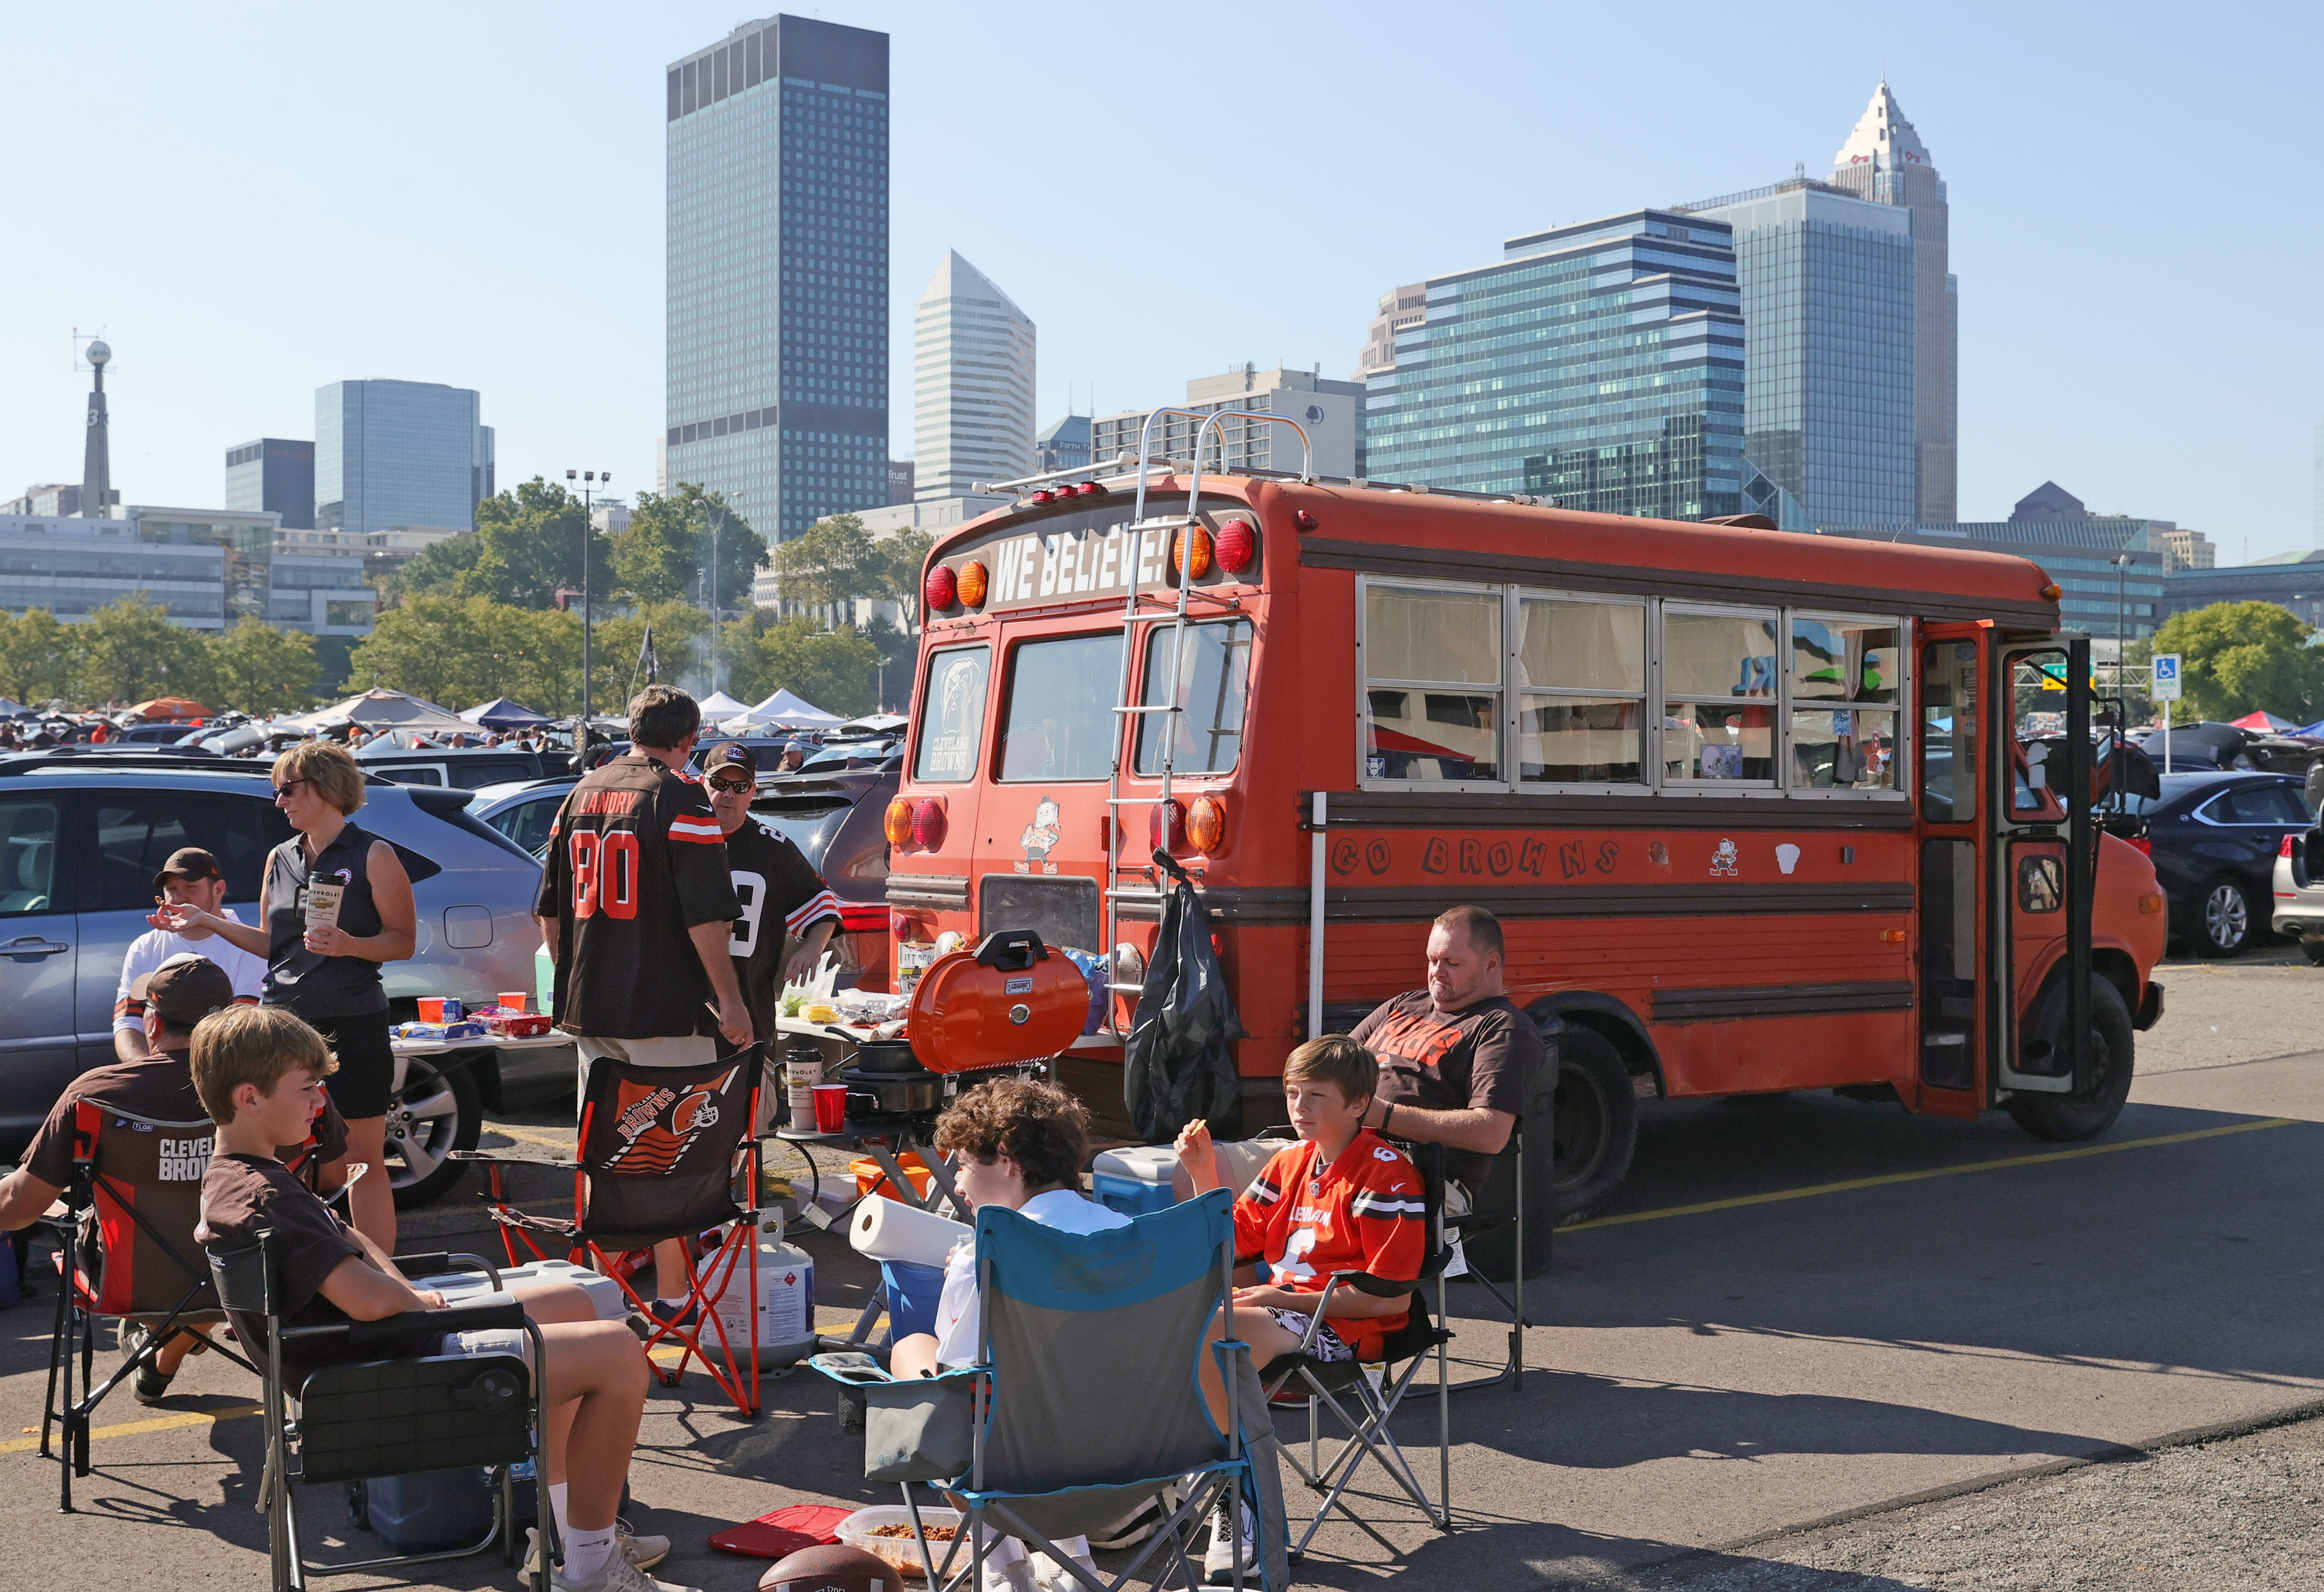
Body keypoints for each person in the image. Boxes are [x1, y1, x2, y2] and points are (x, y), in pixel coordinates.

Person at [189, 1006, 693, 1592]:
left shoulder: (243, 1177)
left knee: (572, 1304)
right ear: (250, 1097)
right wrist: (421, 1304)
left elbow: (350, 1240)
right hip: (373, 1384)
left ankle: (565, 1536)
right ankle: (592, 1566)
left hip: (366, 1355)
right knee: (618, 1354)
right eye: (307, 1088)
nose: (320, 1102)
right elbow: (366, 1300)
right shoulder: (265, 1196)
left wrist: (405, 1293)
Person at [0, 956, 347, 1403]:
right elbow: (333, 1179)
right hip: (261, 1278)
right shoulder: (288, 1087)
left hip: (132, 1280)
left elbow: (19, 1209)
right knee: (224, 1247)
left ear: (152, 1020)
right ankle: (166, 1355)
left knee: (187, 1249)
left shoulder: (94, 1095)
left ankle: (164, 1346)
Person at [536, 686, 751, 1325]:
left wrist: (575, 975)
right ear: (689, 739)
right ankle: (672, 1293)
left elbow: (549, 910)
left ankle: (607, 1291)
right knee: (668, 1150)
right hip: (663, 1004)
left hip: (592, 1005)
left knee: (606, 1147)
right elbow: (706, 915)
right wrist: (730, 1000)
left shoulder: (577, 794)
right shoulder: (680, 796)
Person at [1176, 1034, 1425, 1581]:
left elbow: (1390, 1296)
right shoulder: (1288, 1163)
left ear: (1358, 1103)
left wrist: (1276, 1295)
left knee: (1209, 1330)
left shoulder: (1387, 1174)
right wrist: (1201, 1175)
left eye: (1315, 1095)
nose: (1299, 1108)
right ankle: (1212, 1492)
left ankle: (1232, 1507)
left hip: (1345, 1328)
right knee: (1167, 1321)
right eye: (1292, 1093)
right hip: (1278, 1316)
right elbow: (1223, 1242)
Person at [156, 738, 416, 1252]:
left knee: (361, 1157)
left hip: (352, 1020)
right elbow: (273, 947)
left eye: (287, 790)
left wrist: (350, 946)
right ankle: (299, 1268)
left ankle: (383, 1278)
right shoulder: (281, 857)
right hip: (285, 1023)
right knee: (281, 1154)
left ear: (325, 787)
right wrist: (206, 920)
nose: (280, 802)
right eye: (278, 791)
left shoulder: (373, 854)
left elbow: (403, 941)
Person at [889, 1078, 1129, 1592]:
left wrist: (965, 1270)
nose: (958, 1184)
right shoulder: (1130, 1234)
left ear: (1005, 1158)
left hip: (1015, 1472)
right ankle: (1068, 1558)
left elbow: (958, 1376)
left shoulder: (988, 1253)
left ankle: (1002, 1567)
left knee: (914, 1355)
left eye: (962, 1165)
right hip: (1132, 1461)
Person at [699, 741, 842, 1041]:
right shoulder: (680, 839)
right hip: (686, 1019)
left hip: (751, 1014)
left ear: (753, 793)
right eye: (719, 783)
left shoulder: (773, 849)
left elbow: (821, 905)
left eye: (740, 787)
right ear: (702, 784)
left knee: (753, 1088)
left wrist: (812, 949)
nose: (728, 794)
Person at [116, 847, 267, 1062]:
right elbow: (127, 1023)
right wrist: (145, 1071)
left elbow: (242, 1031)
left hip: (222, 1071)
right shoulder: (144, 947)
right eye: (172, 889)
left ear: (219, 890)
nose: (179, 898)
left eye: (191, 888)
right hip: (160, 1068)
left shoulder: (250, 946)